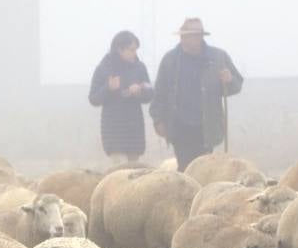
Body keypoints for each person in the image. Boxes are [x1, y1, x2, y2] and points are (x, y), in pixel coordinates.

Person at [149, 18, 243, 171]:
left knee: (204, 168)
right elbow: (160, 93)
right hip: (180, 126)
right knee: (185, 168)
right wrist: (158, 120)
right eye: (188, 35)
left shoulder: (218, 57)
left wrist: (229, 80)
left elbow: (236, 85)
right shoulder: (170, 60)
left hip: (206, 127)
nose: (193, 38)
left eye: (196, 35)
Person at [88, 30, 152, 163]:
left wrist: (139, 92)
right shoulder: (104, 69)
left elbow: (150, 92)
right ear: (119, 49)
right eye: (131, 50)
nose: (135, 53)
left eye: (136, 50)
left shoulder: (139, 68)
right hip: (114, 133)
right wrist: (108, 88)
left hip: (134, 131)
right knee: (120, 170)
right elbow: (93, 98)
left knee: (136, 171)